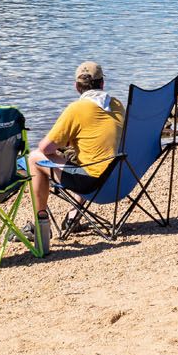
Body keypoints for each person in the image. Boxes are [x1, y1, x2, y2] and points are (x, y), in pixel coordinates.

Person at [28, 61, 125, 249]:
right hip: (120, 180)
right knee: (85, 158)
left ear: (77, 86)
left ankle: (41, 226)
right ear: (102, 84)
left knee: (34, 157)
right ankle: (74, 216)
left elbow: (46, 147)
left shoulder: (76, 109)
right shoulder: (117, 104)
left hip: (93, 184)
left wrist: (66, 141)